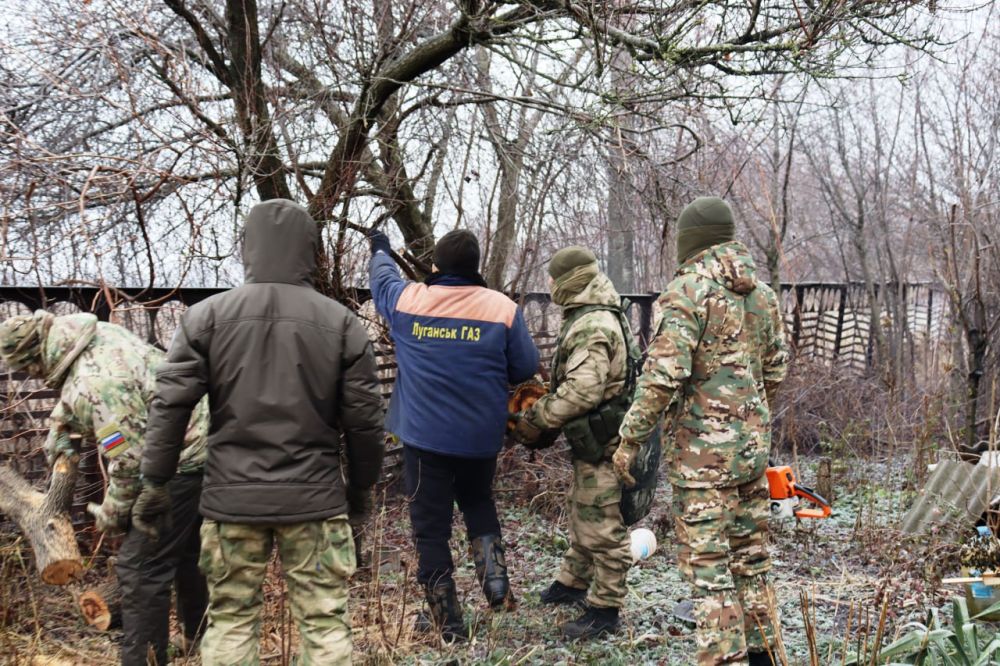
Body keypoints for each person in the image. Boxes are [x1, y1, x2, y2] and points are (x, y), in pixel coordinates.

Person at [138, 199, 385, 665]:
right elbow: (365, 420)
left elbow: (169, 406)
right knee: (324, 621)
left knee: (230, 618)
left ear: (248, 248)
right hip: (314, 500)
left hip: (232, 501)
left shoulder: (205, 318)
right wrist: (361, 492)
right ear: (310, 250)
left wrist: (154, 481)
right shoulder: (341, 323)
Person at [613, 197, 790, 666]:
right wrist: (749, 420)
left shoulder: (688, 290)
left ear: (690, 240)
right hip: (751, 454)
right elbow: (776, 369)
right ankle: (765, 657)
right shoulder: (762, 294)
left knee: (710, 572)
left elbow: (661, 378)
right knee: (752, 561)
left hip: (700, 464)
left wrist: (630, 438)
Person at [0, 309, 209, 666]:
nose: (27, 374)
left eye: (24, 367)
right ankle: (199, 641)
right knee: (185, 550)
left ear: (34, 358)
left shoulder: (98, 382)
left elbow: (129, 462)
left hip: (180, 458)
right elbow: (75, 392)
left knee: (139, 567)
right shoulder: (90, 337)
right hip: (201, 439)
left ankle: (143, 660)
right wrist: (60, 432)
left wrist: (113, 512)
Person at [367, 228, 539, 641]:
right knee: (479, 503)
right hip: (480, 438)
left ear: (435, 267)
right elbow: (525, 366)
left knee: (430, 528)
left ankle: (449, 625)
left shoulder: (410, 300)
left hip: (425, 441)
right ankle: (498, 589)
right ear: (476, 267)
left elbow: (381, 280)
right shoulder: (502, 308)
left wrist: (380, 249)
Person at [512, 246, 634, 639]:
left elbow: (582, 391)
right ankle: (573, 583)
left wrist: (536, 418)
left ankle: (605, 610)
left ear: (569, 280)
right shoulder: (596, 313)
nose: (549, 286)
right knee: (585, 511)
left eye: (553, 278)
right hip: (598, 440)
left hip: (604, 442)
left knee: (602, 524)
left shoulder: (592, 323)